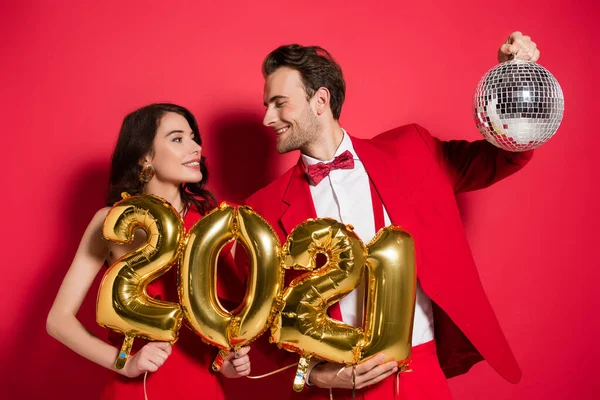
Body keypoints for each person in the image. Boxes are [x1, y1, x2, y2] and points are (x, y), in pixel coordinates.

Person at [245, 32, 539, 399]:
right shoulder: (264, 208)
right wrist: (318, 376)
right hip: (336, 390)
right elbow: (259, 326)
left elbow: (504, 156)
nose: (267, 118)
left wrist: (515, 76)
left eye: (278, 103)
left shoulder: (411, 151)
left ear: (320, 100)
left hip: (422, 376)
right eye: (266, 105)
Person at [47, 103, 251, 399]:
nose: (195, 147)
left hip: (201, 387)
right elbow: (58, 320)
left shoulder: (219, 223)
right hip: (135, 388)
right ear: (145, 157)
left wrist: (228, 361)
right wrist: (124, 363)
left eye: (194, 138)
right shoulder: (109, 222)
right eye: (178, 139)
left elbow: (224, 327)